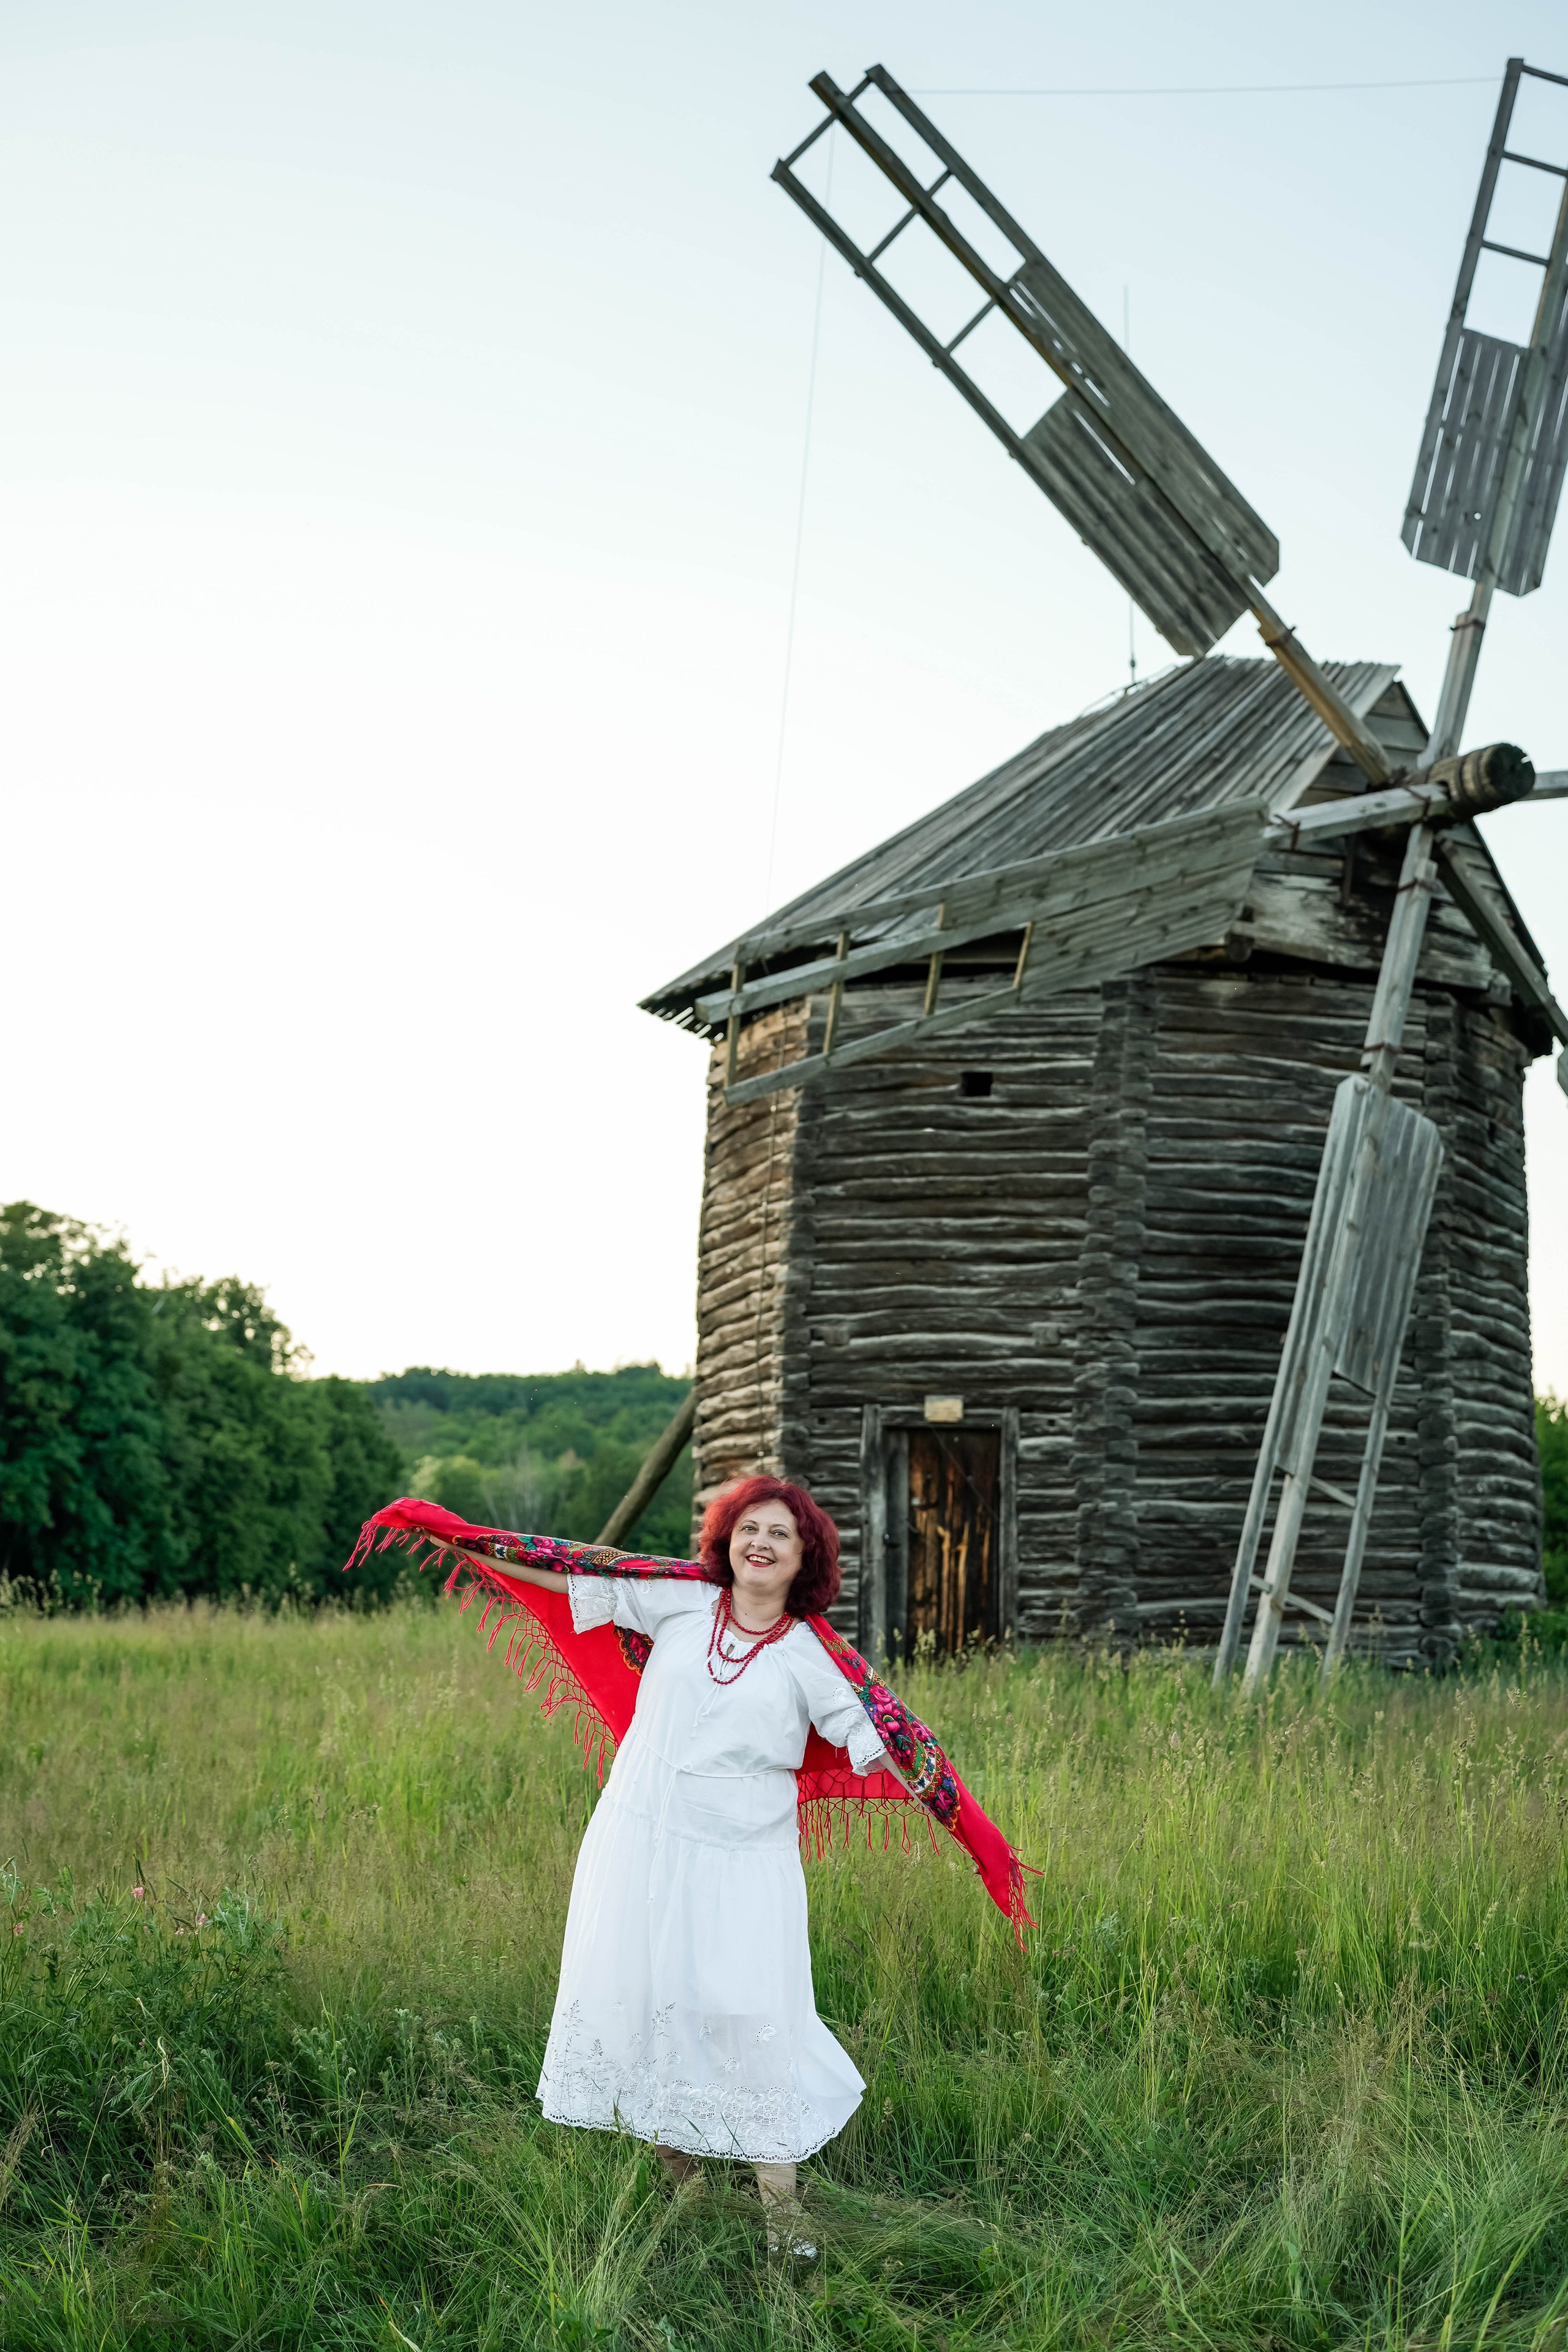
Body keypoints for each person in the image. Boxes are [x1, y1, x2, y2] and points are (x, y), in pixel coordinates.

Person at [457, 1476, 894, 2256]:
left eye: (780, 1535)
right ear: (727, 1538)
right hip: (642, 1835)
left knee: (748, 2012)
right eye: (748, 1527)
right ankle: (682, 2191)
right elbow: (574, 1578)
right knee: (646, 1993)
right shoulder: (684, 1604)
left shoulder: (810, 1655)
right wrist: (470, 1546)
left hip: (741, 1858)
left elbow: (865, 1735)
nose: (759, 1543)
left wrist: (894, 1756)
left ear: (805, 1560)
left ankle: (780, 2217)